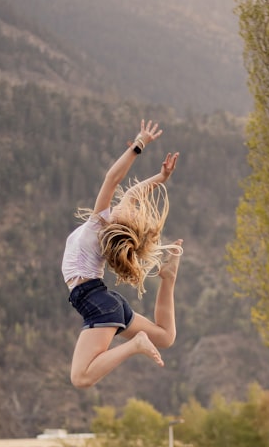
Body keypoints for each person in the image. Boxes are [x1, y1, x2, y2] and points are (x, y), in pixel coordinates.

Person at [62, 119, 184, 389]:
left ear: (117, 220)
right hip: (106, 301)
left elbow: (113, 179)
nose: (124, 202)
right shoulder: (106, 230)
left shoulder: (99, 224)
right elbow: (132, 192)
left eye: (124, 208)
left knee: (81, 378)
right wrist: (161, 178)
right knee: (165, 337)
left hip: (97, 303)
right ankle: (169, 277)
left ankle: (135, 345)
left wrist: (138, 144)